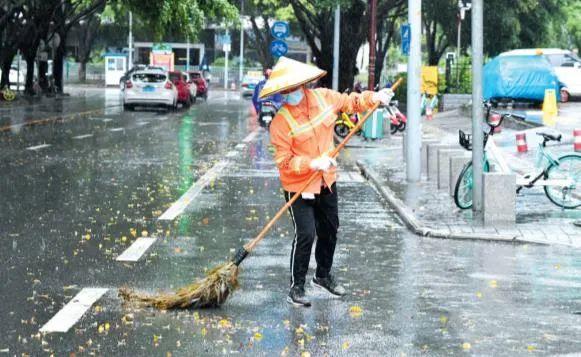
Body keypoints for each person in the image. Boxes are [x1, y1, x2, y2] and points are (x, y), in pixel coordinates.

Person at [258, 57, 394, 307]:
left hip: (326, 180)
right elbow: (283, 161)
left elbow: (351, 102)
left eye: (290, 89)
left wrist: (374, 98)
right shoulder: (280, 122)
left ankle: (322, 275)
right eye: (283, 91)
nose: (288, 95)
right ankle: (296, 287)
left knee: (330, 228)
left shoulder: (323, 98)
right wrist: (311, 163)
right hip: (298, 186)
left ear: (302, 85)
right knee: (306, 234)